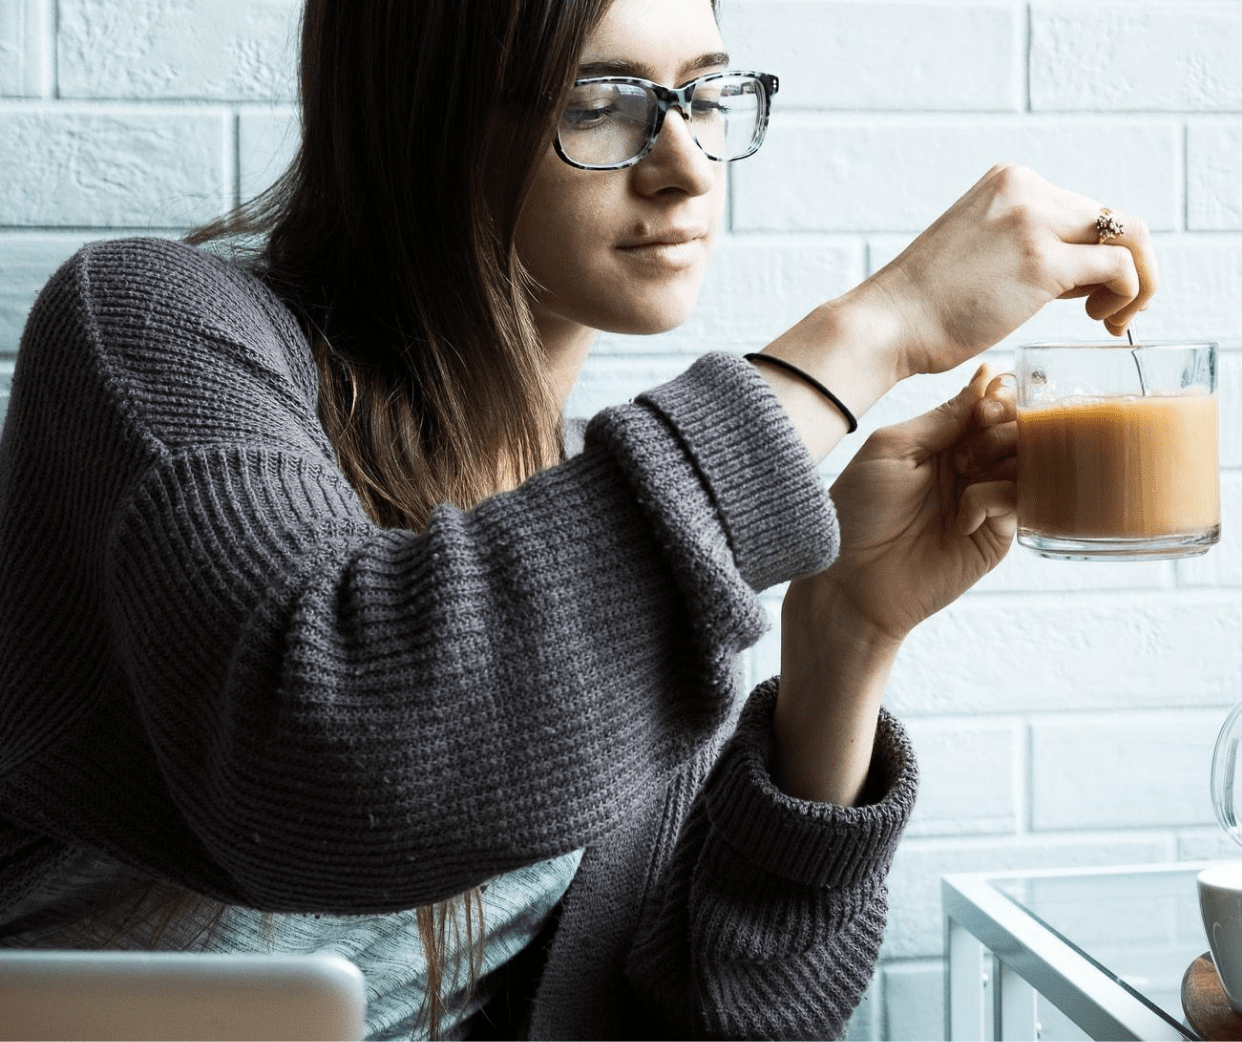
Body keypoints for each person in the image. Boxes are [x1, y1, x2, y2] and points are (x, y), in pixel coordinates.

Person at [0, 0, 1156, 1037]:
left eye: (706, 94)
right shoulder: (152, 328)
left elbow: (729, 1011)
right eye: (600, 103)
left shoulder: (619, 523)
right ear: (424, 118)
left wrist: (843, 629)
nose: (686, 165)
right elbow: (329, 755)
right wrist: (869, 335)